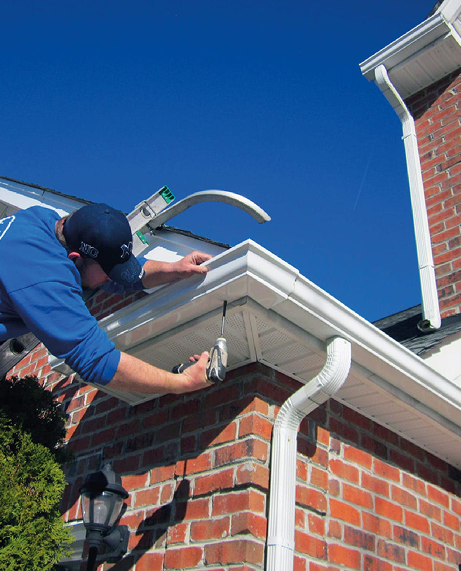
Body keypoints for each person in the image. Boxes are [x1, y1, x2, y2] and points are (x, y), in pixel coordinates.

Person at [0, 202, 213, 395]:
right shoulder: (42, 274)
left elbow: (121, 275)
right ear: (75, 260)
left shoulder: (45, 220)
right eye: (108, 271)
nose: (112, 278)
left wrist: (175, 269)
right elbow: (95, 359)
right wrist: (182, 382)